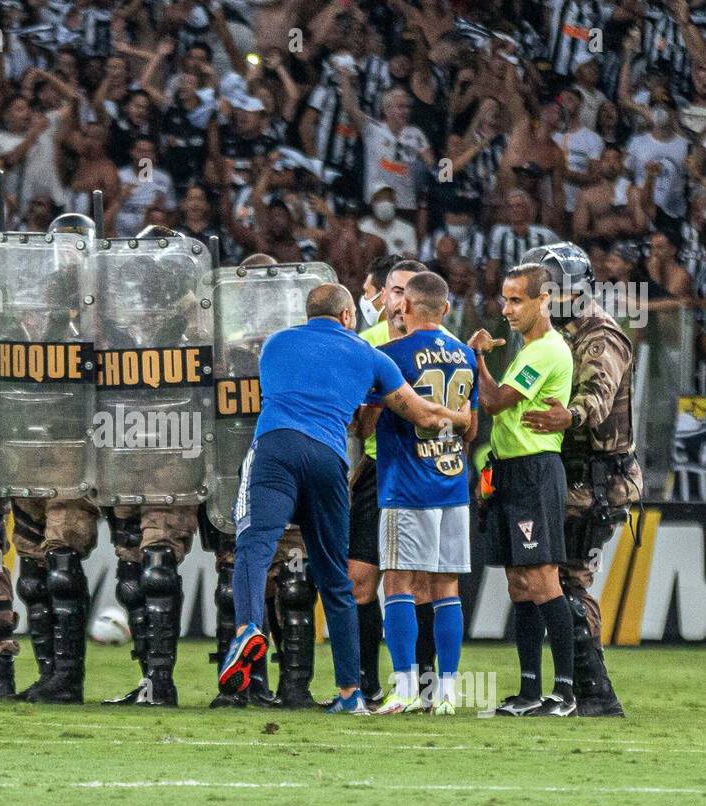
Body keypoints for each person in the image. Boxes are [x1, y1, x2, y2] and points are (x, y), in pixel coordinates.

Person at [223, 282, 472, 715]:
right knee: (336, 577)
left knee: (253, 546)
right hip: (328, 458)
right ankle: (350, 692)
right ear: (345, 316)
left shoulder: (277, 344)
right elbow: (425, 417)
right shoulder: (367, 354)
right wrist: (461, 416)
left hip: (275, 449)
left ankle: (248, 628)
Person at [519, 241, 638, 717]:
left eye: (550, 290)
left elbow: (598, 397)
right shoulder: (549, 333)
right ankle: (576, 690)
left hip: (596, 480)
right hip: (564, 473)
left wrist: (570, 415)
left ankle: (594, 693)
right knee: (554, 580)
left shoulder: (599, 335)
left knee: (567, 581)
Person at [362, 272, 477, 716]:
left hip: (406, 485)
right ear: (446, 309)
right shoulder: (465, 354)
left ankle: (406, 688)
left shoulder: (388, 356)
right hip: (452, 482)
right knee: (447, 586)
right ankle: (446, 692)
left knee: (399, 586)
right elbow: (472, 429)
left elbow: (366, 423)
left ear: (404, 308)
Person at [468, 263, 577, 717]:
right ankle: (530, 690)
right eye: (504, 299)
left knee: (543, 579)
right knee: (519, 583)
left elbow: (493, 403)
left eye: (517, 300)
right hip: (511, 472)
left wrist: (475, 360)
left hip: (535, 473)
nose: (507, 309)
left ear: (543, 301)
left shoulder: (545, 351)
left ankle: (566, 694)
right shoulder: (527, 349)